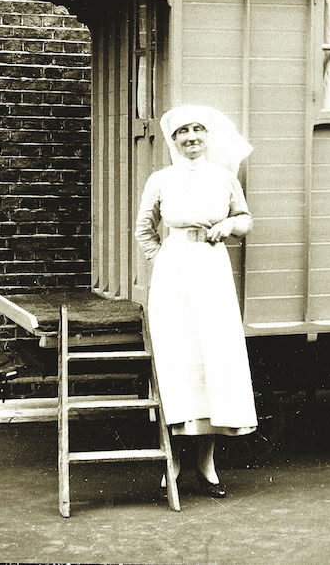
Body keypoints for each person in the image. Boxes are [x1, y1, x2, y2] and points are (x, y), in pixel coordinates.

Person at [133, 104, 257, 499]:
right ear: (173, 139)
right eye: (183, 132)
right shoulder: (161, 179)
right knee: (177, 362)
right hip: (174, 277)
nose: (191, 138)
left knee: (213, 361)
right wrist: (164, 260)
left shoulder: (223, 178)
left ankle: (207, 465)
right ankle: (171, 464)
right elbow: (144, 230)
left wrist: (228, 225)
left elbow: (245, 219)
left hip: (212, 273)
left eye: (198, 130)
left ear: (208, 137)